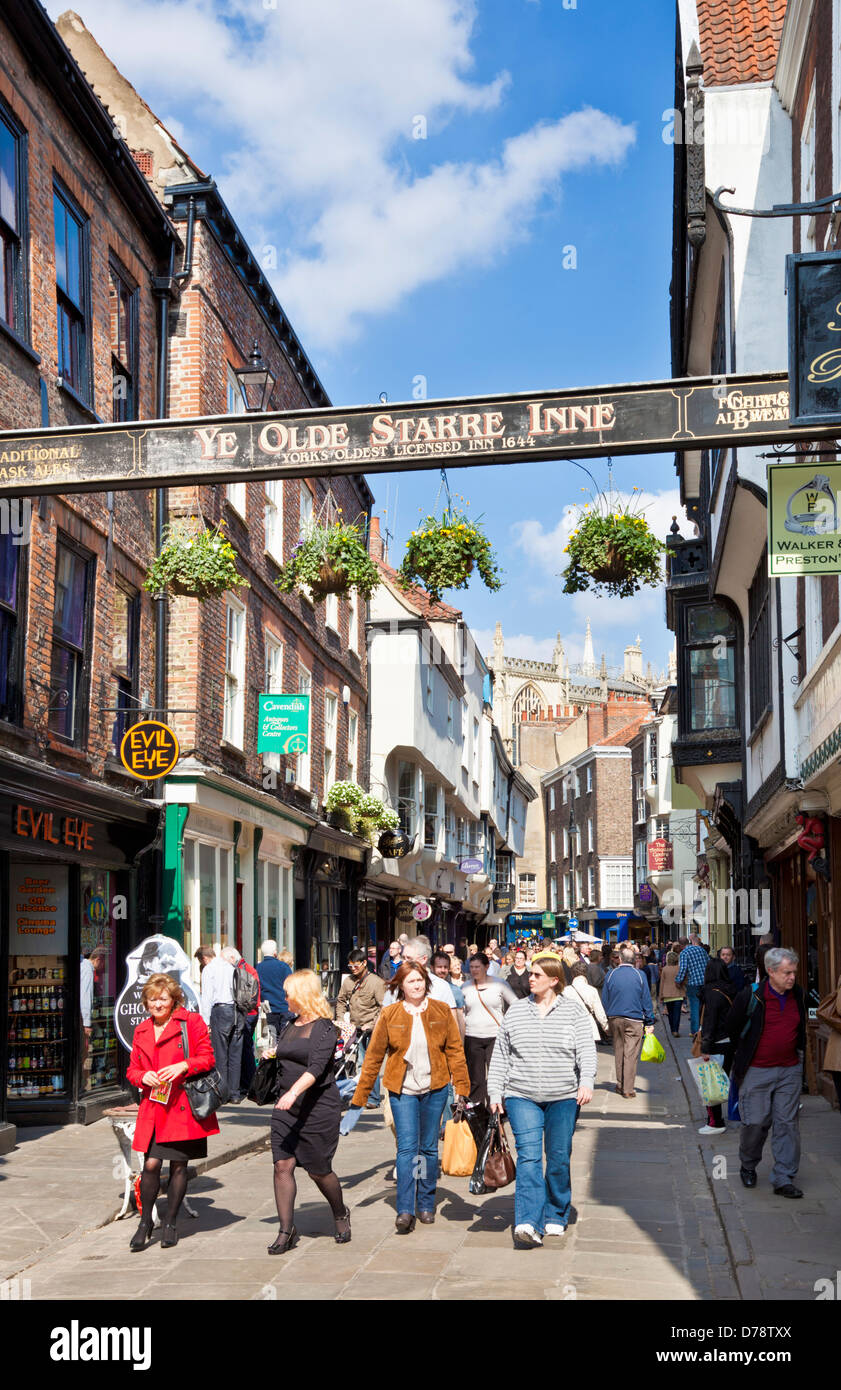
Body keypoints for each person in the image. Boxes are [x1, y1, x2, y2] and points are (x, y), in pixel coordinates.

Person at [345, 961, 470, 1232]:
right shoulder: (390, 1014)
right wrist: (360, 1097)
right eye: (411, 981)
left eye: (420, 980)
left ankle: (425, 1202)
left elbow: (455, 1052)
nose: (417, 985)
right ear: (401, 985)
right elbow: (374, 1058)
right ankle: (404, 1208)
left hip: (435, 1089)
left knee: (427, 1149)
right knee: (406, 1149)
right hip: (402, 1091)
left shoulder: (440, 1011)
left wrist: (462, 1087)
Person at [488, 954, 595, 1247]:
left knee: (558, 1158)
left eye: (536, 975)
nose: (530, 979)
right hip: (522, 1096)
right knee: (530, 1159)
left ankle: (557, 1213)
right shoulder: (517, 1012)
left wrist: (586, 1082)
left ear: (554, 980)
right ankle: (527, 1220)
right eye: (531, 974)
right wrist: (495, 1092)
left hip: (563, 1096)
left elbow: (586, 1050)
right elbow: (501, 1056)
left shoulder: (572, 1011)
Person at [126, 972, 219, 1251]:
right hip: (154, 1106)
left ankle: (171, 1222)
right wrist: (143, 1077)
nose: (158, 1004)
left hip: (182, 1105)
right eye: (152, 999)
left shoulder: (190, 1022)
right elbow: (131, 1070)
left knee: (179, 1166)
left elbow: (208, 1058)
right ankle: (145, 1222)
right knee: (151, 1165)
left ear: (174, 999)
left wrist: (183, 1066)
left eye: (163, 999)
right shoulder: (141, 1029)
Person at [267, 968, 349, 1253]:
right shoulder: (290, 1024)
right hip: (285, 1109)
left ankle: (339, 1212)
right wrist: (271, 1055)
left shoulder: (326, 1027)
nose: (285, 998)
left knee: (319, 1170)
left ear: (301, 994)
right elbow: (286, 1056)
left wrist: (294, 1092)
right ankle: (285, 1231)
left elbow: (316, 1067)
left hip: (317, 1108)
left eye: (288, 993)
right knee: (282, 1165)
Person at [729, 948, 806, 1198]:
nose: (792, 977)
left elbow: (801, 1028)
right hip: (756, 1069)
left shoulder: (799, 995)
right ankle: (748, 1164)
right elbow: (732, 1027)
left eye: (794, 972)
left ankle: (784, 1177)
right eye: (787, 972)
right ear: (771, 971)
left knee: (787, 1124)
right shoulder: (751, 996)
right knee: (756, 1122)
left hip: (789, 1070)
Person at [462, 952, 517, 1143]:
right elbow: (461, 1013)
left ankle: (498, 1111)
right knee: (476, 1079)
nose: (474, 970)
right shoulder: (465, 987)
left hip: (495, 1035)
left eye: (478, 967)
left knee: (496, 1075)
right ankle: (477, 1112)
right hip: (472, 1036)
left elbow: (516, 1005)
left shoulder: (499, 984)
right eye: (472, 967)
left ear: (486, 967)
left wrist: (508, 1026)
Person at [601, 946, 655, 1098]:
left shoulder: (611, 974)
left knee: (619, 1051)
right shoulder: (640, 975)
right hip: (634, 1018)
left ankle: (620, 1084)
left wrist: (606, 1018)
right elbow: (646, 998)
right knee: (630, 1054)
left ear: (620, 959)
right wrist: (649, 1020)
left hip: (615, 1018)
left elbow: (605, 998)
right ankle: (628, 1089)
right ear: (634, 960)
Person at [335, 949, 386, 1105]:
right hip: (353, 1028)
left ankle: (373, 1097)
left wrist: (371, 1024)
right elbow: (341, 1001)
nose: (353, 969)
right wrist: (340, 1021)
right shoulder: (348, 982)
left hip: (371, 1029)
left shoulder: (376, 982)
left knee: (368, 1063)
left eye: (356, 965)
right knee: (352, 1062)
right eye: (350, 966)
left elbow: (384, 1007)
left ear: (364, 963)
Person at [197, 944, 244, 1104]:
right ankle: (235, 1093)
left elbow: (207, 997)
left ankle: (222, 1093)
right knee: (235, 1054)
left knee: (220, 1053)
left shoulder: (209, 969)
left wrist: (205, 1020)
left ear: (204, 958)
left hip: (220, 1011)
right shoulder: (231, 967)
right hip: (237, 1012)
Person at [696, 957, 738, 1135]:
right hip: (729, 1042)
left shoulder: (712, 994)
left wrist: (705, 1048)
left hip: (716, 1043)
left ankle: (715, 1122)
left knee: (711, 1083)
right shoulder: (730, 990)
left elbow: (710, 1023)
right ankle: (717, 1119)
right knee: (720, 1081)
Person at [257, 941, 293, 1041]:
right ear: (275, 952)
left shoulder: (258, 968)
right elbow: (292, 986)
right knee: (287, 1038)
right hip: (284, 1007)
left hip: (269, 1009)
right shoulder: (283, 966)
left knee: (273, 1038)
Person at [565, 960, 608, 1042]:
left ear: (572, 973)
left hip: (570, 1027)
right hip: (588, 1026)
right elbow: (599, 1012)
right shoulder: (592, 990)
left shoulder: (565, 991)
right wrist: (605, 1026)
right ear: (586, 973)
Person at [676, 933, 709, 1036]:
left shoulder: (684, 953)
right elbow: (709, 963)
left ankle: (695, 1031)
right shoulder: (701, 949)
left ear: (681, 945)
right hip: (705, 982)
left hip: (693, 983)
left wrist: (678, 980)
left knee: (694, 1006)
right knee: (704, 1006)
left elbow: (683, 969)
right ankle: (704, 1028)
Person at [433, 951, 465, 1035]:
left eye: (445, 967)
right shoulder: (424, 988)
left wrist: (461, 1043)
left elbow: (460, 1020)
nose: (443, 970)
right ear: (432, 968)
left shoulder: (455, 990)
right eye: (439, 967)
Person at [658, 950, 686, 1036]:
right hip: (678, 994)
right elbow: (684, 980)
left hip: (667, 995)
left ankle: (672, 1029)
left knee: (670, 1014)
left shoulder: (665, 969)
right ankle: (676, 1030)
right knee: (677, 1013)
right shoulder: (679, 968)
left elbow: (662, 983)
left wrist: (661, 996)